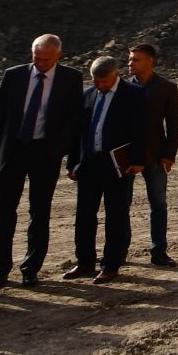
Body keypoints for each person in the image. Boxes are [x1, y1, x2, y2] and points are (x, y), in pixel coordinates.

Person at [0, 34, 83, 288]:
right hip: (13, 150)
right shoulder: (13, 75)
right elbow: (2, 117)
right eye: (36, 58)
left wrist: (64, 153)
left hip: (45, 153)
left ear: (58, 56)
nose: (40, 63)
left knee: (40, 212)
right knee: (5, 212)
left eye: (46, 59)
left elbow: (74, 122)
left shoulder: (70, 79)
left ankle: (30, 268)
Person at [65, 55, 145, 284]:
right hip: (90, 164)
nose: (100, 86)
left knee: (116, 216)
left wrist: (138, 160)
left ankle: (111, 265)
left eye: (105, 81)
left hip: (118, 166)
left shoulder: (133, 95)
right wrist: (73, 162)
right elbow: (78, 133)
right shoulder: (88, 95)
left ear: (116, 75)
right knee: (84, 216)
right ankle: (84, 262)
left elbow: (141, 131)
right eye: (96, 81)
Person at [125, 42, 178, 267]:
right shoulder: (123, 87)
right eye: (130, 59)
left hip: (156, 156)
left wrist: (169, 154)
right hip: (128, 156)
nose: (130, 63)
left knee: (158, 203)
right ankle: (120, 251)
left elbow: (174, 125)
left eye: (136, 59)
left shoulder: (167, 87)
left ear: (150, 61)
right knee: (122, 204)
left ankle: (159, 251)